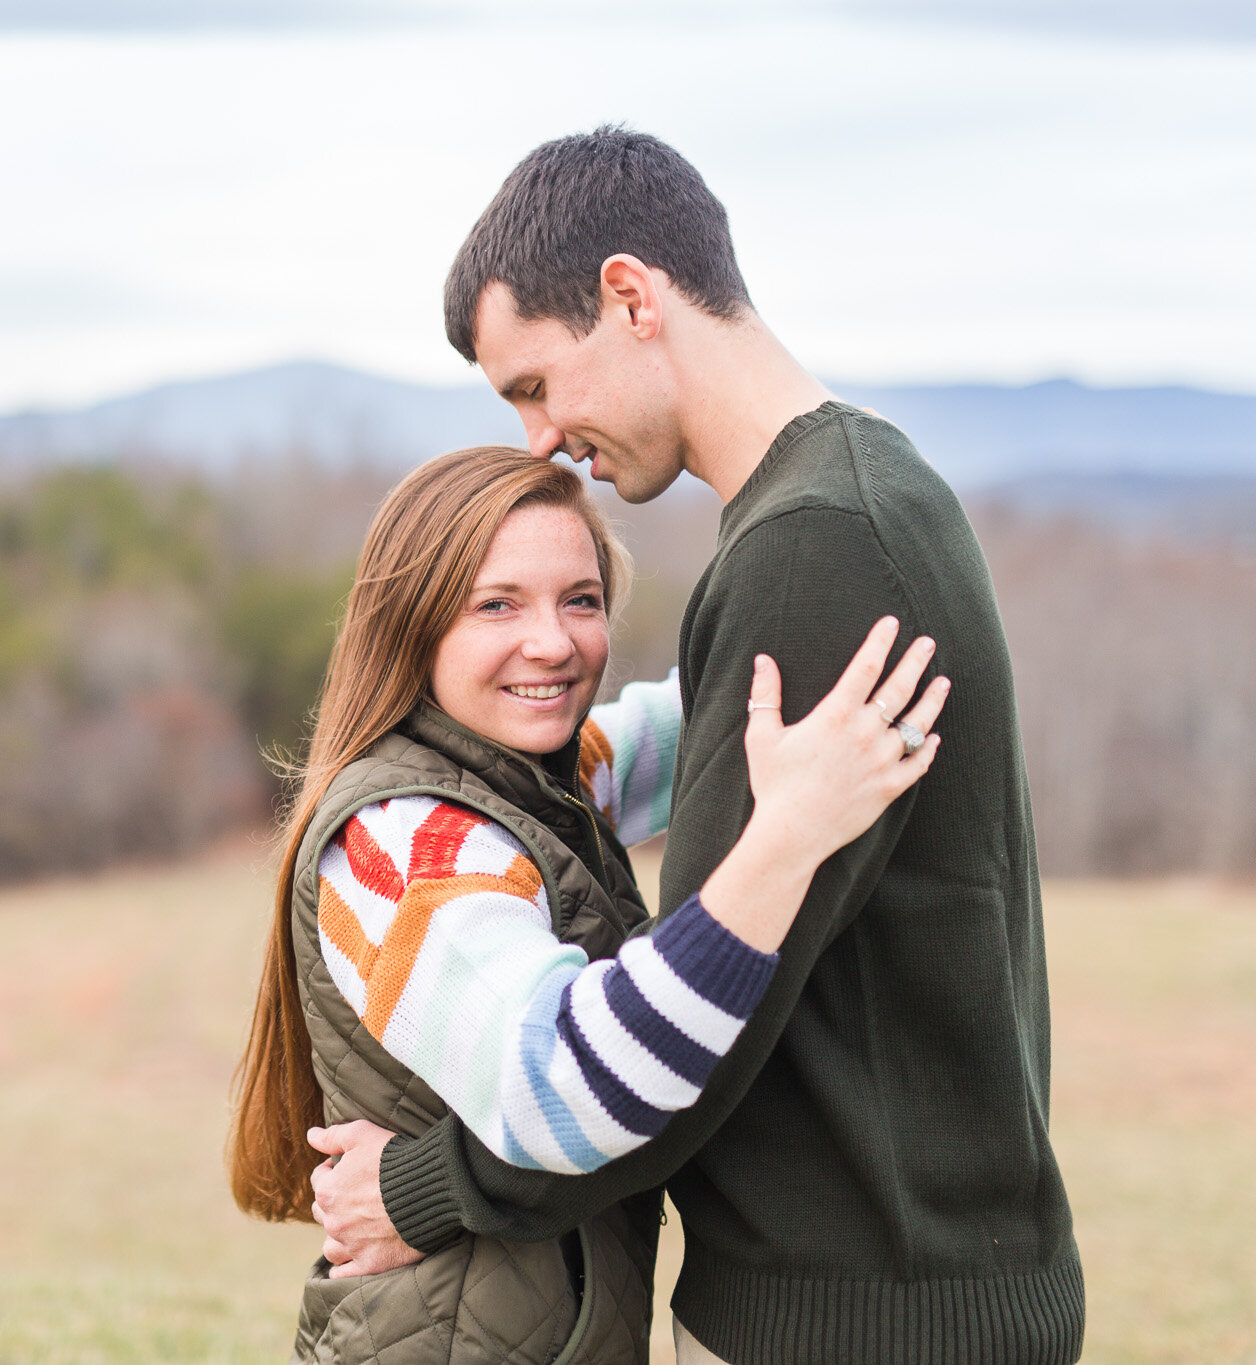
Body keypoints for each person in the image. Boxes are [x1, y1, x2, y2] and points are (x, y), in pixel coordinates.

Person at [305, 128, 1084, 1365]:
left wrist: (422, 1191)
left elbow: (699, 1031)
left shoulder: (811, 549)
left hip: (852, 1313)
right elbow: (633, 756)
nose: (540, 436)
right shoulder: (867, 492)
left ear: (628, 297)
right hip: (906, 1286)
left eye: (534, 382)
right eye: (492, 605)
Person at [229, 445, 945, 1363]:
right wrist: (790, 835)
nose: (555, 642)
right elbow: (559, 1085)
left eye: (582, 598)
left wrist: (834, 542)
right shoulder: (406, 843)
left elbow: (706, 708)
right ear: (411, 626)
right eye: (497, 604)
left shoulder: (536, 783)